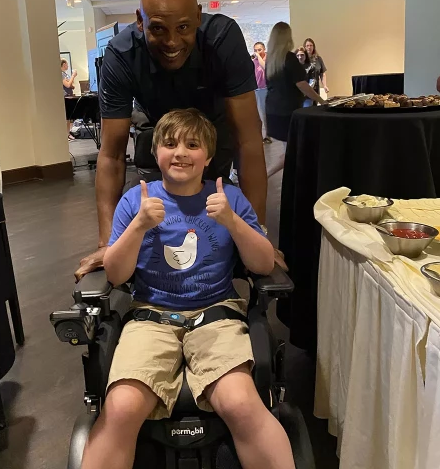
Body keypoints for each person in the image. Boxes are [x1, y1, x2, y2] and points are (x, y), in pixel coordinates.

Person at [81, 108, 295, 469]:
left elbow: (261, 264)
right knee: (121, 407)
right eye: (169, 143)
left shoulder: (230, 198)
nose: (180, 152)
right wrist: (138, 226)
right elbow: (116, 276)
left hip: (216, 316)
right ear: (156, 153)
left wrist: (231, 220)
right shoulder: (136, 201)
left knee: (241, 403)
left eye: (192, 145)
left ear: (208, 157)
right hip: (151, 317)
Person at [74, 0, 286, 281]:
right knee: (156, 203)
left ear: (199, 17)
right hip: (157, 127)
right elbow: (111, 156)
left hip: (213, 125)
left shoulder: (222, 38)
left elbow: (249, 142)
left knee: (215, 197)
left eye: (183, 27)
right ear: (140, 21)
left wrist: (259, 234)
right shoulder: (121, 55)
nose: (172, 42)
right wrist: (109, 244)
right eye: (158, 29)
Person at [266, 23, 325, 177]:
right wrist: (321, 100)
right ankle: (269, 175)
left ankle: (276, 175)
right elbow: (302, 84)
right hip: (287, 111)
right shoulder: (289, 58)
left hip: (273, 110)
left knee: (290, 149)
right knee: (295, 149)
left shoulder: (271, 61)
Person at [252, 41, 271, 143]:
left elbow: (265, 68)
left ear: (264, 49)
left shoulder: (267, 59)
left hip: (266, 89)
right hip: (256, 89)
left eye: (259, 49)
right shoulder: (253, 61)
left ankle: (267, 135)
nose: (257, 52)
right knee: (258, 114)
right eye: (255, 50)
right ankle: (261, 135)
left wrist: (258, 57)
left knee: (264, 113)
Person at [62, 59, 78, 140]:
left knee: (68, 117)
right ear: (64, 64)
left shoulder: (65, 75)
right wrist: (73, 76)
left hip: (69, 96)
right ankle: (65, 134)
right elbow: (68, 85)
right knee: (66, 117)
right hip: (65, 97)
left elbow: (72, 85)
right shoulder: (62, 74)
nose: (67, 66)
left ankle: (68, 133)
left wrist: (71, 80)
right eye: (67, 64)